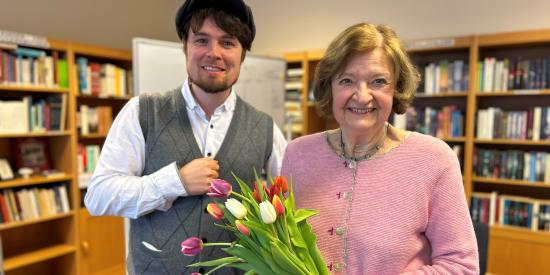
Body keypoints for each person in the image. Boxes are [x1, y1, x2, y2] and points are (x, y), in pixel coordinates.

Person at [84, 0, 287, 274]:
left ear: (242, 55)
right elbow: (98, 197)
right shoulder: (141, 112)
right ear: (186, 48)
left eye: (227, 43)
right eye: (202, 40)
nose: (213, 53)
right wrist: (173, 182)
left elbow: (290, 203)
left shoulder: (265, 127)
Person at [281, 22, 479, 274]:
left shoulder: (435, 160)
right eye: (346, 80)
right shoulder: (297, 155)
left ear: (396, 87)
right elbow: (281, 248)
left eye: (378, 81)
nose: (362, 96)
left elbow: (461, 265)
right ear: (329, 86)